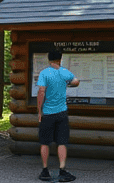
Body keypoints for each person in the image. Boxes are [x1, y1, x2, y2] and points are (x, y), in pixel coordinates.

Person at [37, 50, 80, 182]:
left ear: (49, 60)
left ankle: (45, 171)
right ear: (60, 60)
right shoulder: (64, 72)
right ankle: (62, 171)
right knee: (61, 142)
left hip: (48, 113)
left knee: (45, 142)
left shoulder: (44, 73)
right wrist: (67, 83)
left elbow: (41, 91)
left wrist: (39, 111)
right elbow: (76, 81)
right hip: (62, 113)